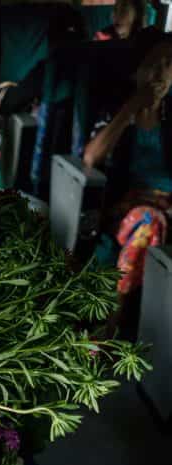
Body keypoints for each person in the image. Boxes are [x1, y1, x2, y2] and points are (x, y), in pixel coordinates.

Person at [83, 31, 172, 306]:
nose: (160, 71)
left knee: (150, 221)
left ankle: (113, 317)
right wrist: (133, 106)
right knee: (146, 221)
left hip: (166, 206)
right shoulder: (117, 104)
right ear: (138, 68)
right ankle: (112, 315)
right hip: (125, 204)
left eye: (169, 63)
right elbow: (91, 156)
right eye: (154, 63)